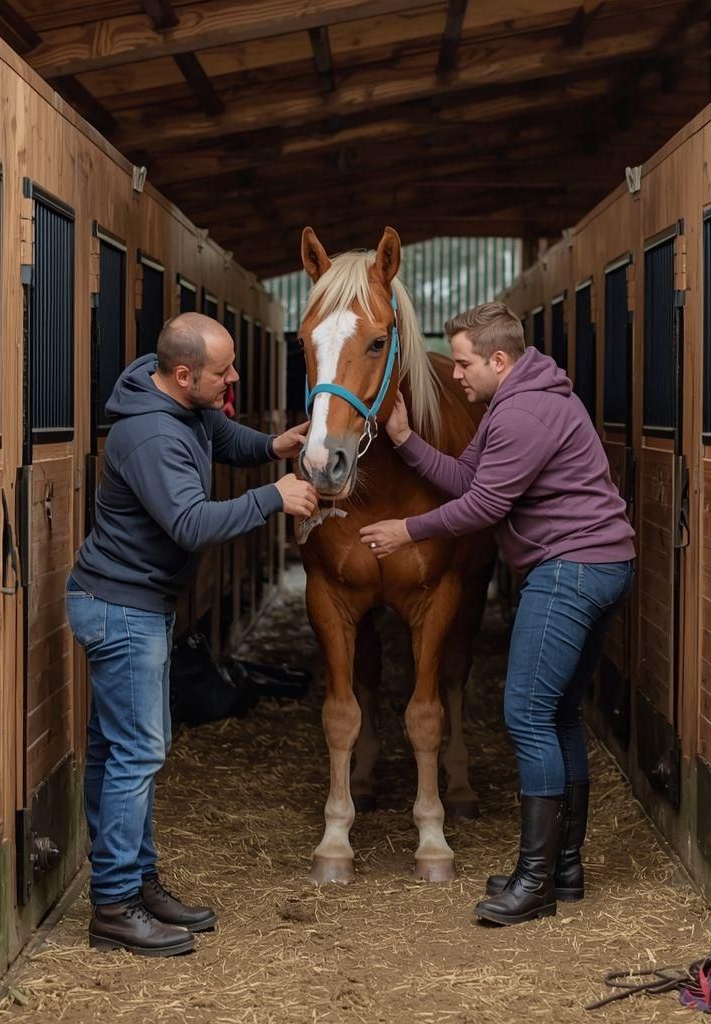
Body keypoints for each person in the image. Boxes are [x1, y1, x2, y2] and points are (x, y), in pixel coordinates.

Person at [359, 301, 635, 927]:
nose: (454, 375)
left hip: (572, 568)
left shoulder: (524, 413)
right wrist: (403, 439)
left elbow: (481, 506)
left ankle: (533, 882)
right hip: (594, 563)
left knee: (526, 713)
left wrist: (407, 529)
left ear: (499, 360)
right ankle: (562, 869)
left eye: (462, 364)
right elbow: (463, 476)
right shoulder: (514, 403)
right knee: (559, 713)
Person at [66, 312, 318, 957]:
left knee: (115, 752)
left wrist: (273, 446)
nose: (234, 378)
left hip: (127, 602)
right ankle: (116, 905)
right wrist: (275, 497)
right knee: (139, 753)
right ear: (184, 376)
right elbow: (191, 522)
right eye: (223, 371)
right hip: (123, 609)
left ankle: (137, 884)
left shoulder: (181, 407)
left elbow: (224, 437)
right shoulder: (151, 436)